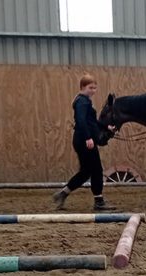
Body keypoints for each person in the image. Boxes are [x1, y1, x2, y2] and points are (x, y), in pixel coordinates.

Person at [52, 74, 116, 211]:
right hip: (84, 140)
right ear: (82, 87)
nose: (93, 90)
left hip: (81, 139)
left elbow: (91, 121)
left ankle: (63, 193)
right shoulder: (83, 102)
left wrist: (106, 127)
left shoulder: (83, 100)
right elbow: (81, 121)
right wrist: (88, 138)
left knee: (86, 171)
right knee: (97, 170)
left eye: (95, 88)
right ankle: (99, 202)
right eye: (90, 87)